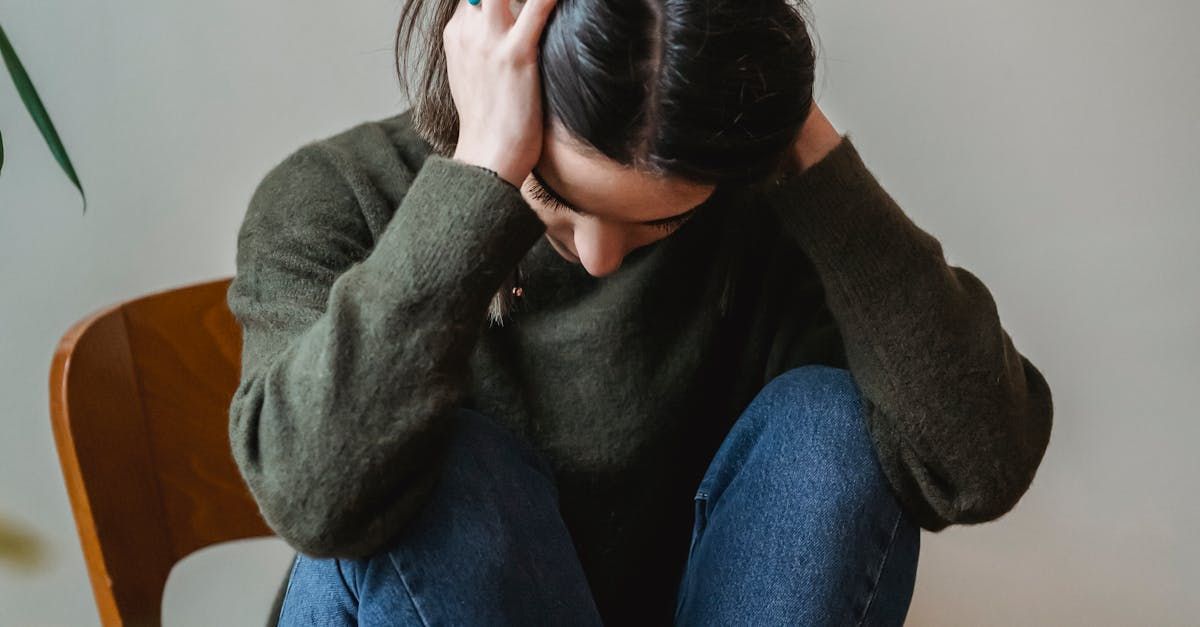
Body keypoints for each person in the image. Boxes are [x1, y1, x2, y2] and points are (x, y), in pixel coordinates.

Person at [224, 0, 1055, 624]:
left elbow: (977, 465)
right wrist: (480, 181)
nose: (599, 256)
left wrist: (797, 135)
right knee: (433, 470)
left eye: (658, 219)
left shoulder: (752, 216)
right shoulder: (333, 199)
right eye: (551, 194)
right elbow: (315, 495)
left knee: (833, 428)